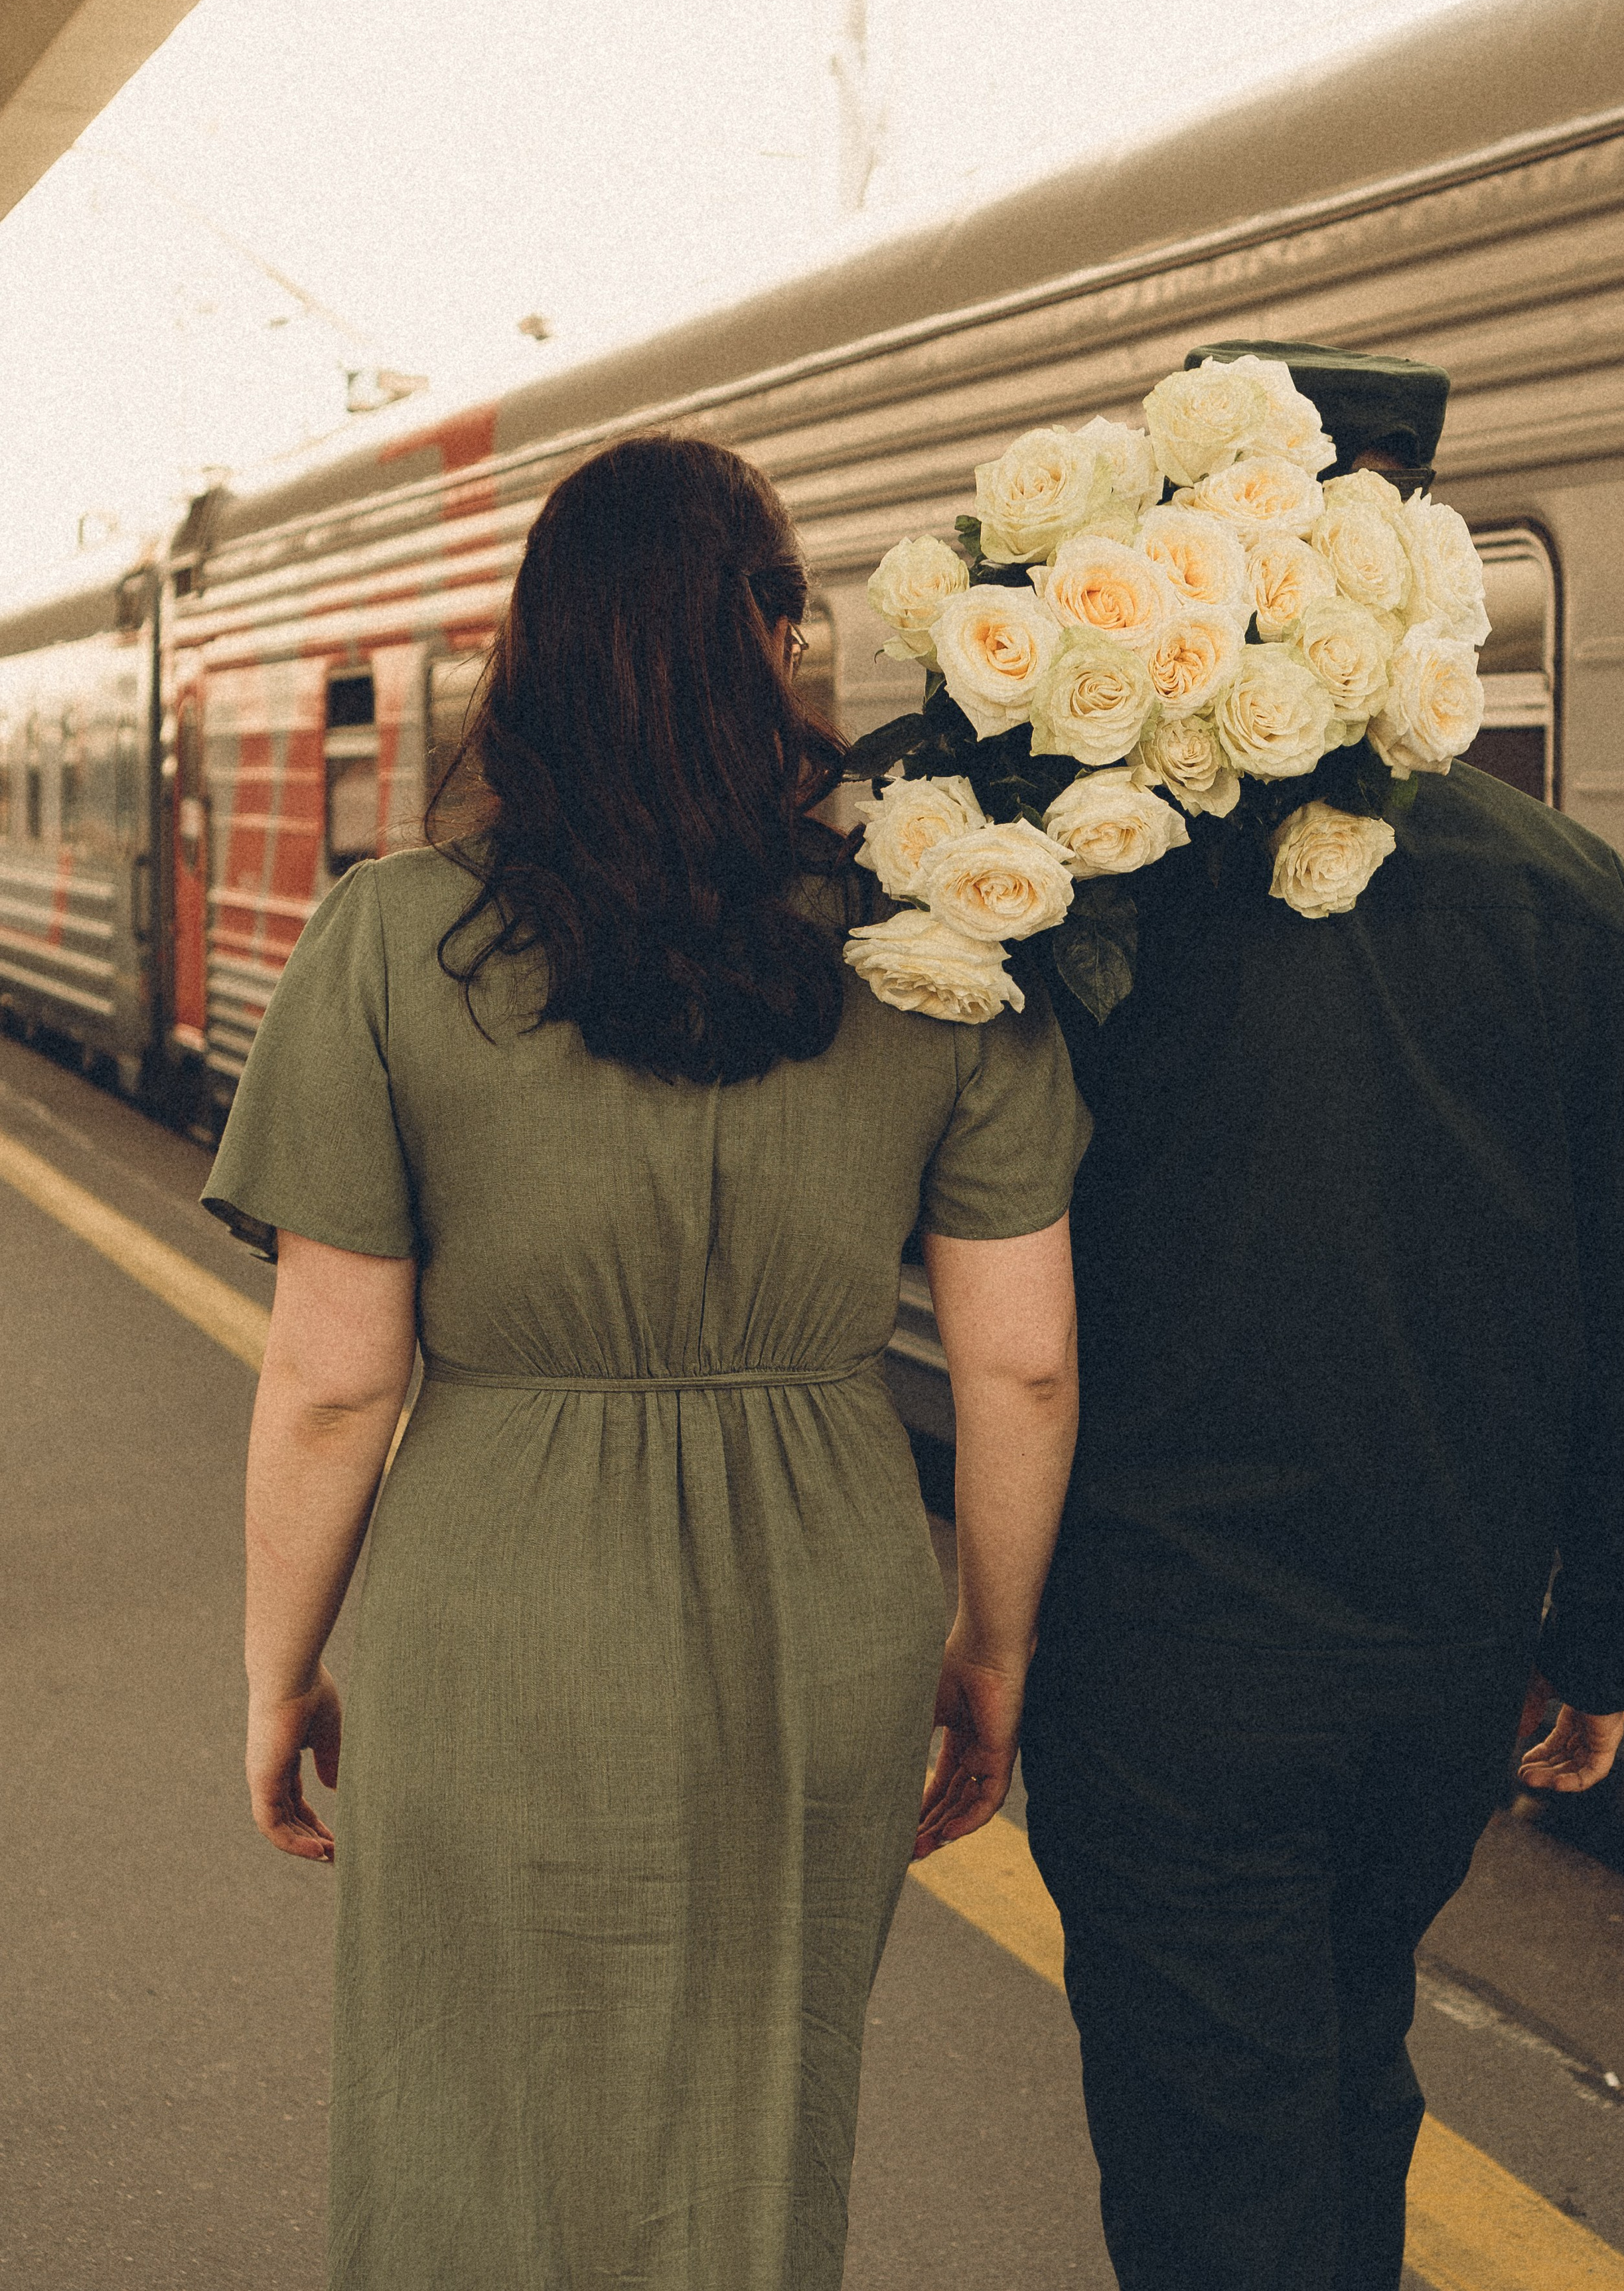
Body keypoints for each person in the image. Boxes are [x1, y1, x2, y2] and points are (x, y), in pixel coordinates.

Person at [202, 433, 1089, 2291]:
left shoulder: (392, 942)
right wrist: (987, 1658)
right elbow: (1018, 1371)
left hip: (491, 1602)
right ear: (781, 641)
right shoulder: (931, 951)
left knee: (465, 2113)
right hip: (828, 1600)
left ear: (537, 653)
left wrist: (282, 1671)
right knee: (758, 2115)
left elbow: (334, 1380)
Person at [1019, 343, 1624, 2291]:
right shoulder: (1573, 895)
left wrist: (985, 1635)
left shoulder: (1106, 886)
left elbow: (1010, 1301)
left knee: (1209, 2148)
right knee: (1347, 2068)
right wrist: (1603, 1633)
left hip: (1171, 1659)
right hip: (1438, 1655)